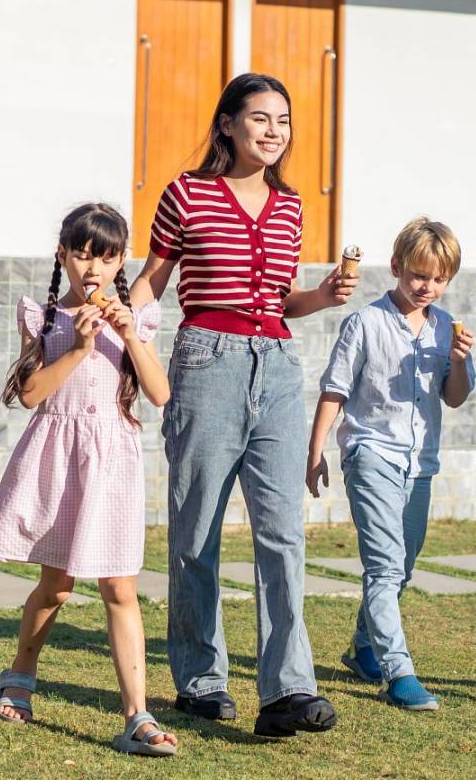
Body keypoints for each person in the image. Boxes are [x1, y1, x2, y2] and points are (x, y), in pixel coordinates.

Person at [128, 72, 355, 738]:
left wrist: (322, 295)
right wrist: (107, 317)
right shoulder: (187, 193)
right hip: (206, 361)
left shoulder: (290, 207)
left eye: (282, 121)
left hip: (280, 367)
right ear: (227, 124)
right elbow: (153, 282)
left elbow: (281, 301)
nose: (273, 132)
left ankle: (288, 689)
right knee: (195, 532)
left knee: (282, 534)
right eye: (260, 118)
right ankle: (201, 681)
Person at [0, 203, 177, 757]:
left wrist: (126, 333)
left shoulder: (137, 316)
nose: (93, 268)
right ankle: (20, 671)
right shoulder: (43, 317)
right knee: (58, 585)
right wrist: (82, 347)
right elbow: (31, 395)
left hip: (112, 461)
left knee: (120, 586)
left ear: (121, 261)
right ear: (63, 254)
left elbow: (160, 394)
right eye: (83, 254)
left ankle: (136, 715)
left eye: (107, 256)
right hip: (58, 460)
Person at [306, 217, 475, 711]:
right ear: (398, 268)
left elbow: (456, 397)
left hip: (420, 464)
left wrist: (460, 361)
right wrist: (315, 453)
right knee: (384, 566)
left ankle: (363, 648)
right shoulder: (365, 323)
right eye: (420, 275)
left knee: (402, 568)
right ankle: (399, 672)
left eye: (440, 279)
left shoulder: (447, 329)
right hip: (370, 453)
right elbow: (334, 389)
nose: (429, 287)